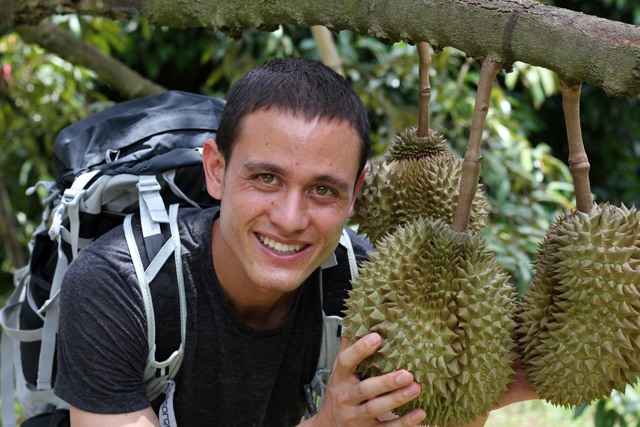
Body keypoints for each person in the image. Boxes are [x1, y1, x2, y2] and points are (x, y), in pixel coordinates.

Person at [54, 57, 536, 427]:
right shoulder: (117, 286)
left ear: (356, 196)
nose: (289, 219)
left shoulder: (372, 286)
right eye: (266, 178)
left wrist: (475, 395)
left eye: (323, 190)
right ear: (216, 170)